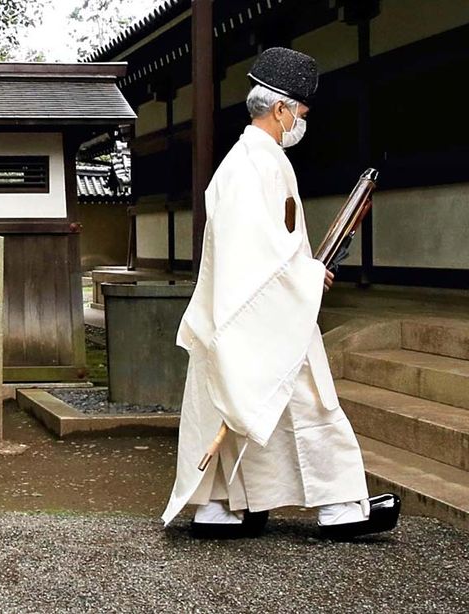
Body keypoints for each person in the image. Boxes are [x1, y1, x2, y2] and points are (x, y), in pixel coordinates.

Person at [161, 48, 399, 540]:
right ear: (280, 109)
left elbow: (266, 245)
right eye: (301, 113)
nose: (302, 122)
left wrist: (306, 271)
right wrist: (308, 276)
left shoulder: (253, 159)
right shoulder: (253, 165)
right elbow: (256, 252)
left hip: (251, 310)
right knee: (310, 401)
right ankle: (339, 508)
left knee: (237, 404)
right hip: (261, 312)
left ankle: (224, 507)